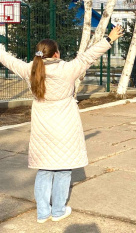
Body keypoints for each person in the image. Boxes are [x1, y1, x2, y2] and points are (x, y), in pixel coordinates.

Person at [0, 26, 123, 223]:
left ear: (39, 53)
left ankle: (42, 213)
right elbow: (88, 56)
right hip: (65, 126)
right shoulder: (67, 69)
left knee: (44, 169)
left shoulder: (30, 70)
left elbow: (8, 60)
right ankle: (57, 211)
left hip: (42, 127)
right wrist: (109, 39)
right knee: (64, 169)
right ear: (56, 53)